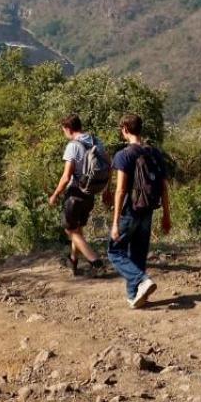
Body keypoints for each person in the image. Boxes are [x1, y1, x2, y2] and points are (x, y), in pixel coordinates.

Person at [108, 112, 172, 308]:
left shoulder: (124, 155)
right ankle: (134, 296)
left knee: (115, 251)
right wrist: (167, 216)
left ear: (125, 130)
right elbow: (163, 187)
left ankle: (142, 281)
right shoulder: (154, 153)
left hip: (129, 211)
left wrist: (115, 222)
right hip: (148, 209)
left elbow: (120, 191)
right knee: (138, 252)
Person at [46, 114, 110, 276]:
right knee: (78, 229)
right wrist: (107, 190)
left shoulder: (72, 146)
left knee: (71, 231)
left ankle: (96, 263)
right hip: (90, 193)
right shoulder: (97, 142)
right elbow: (109, 166)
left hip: (74, 194)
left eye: (63, 130)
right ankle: (73, 261)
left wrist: (55, 195)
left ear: (68, 129)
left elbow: (66, 176)